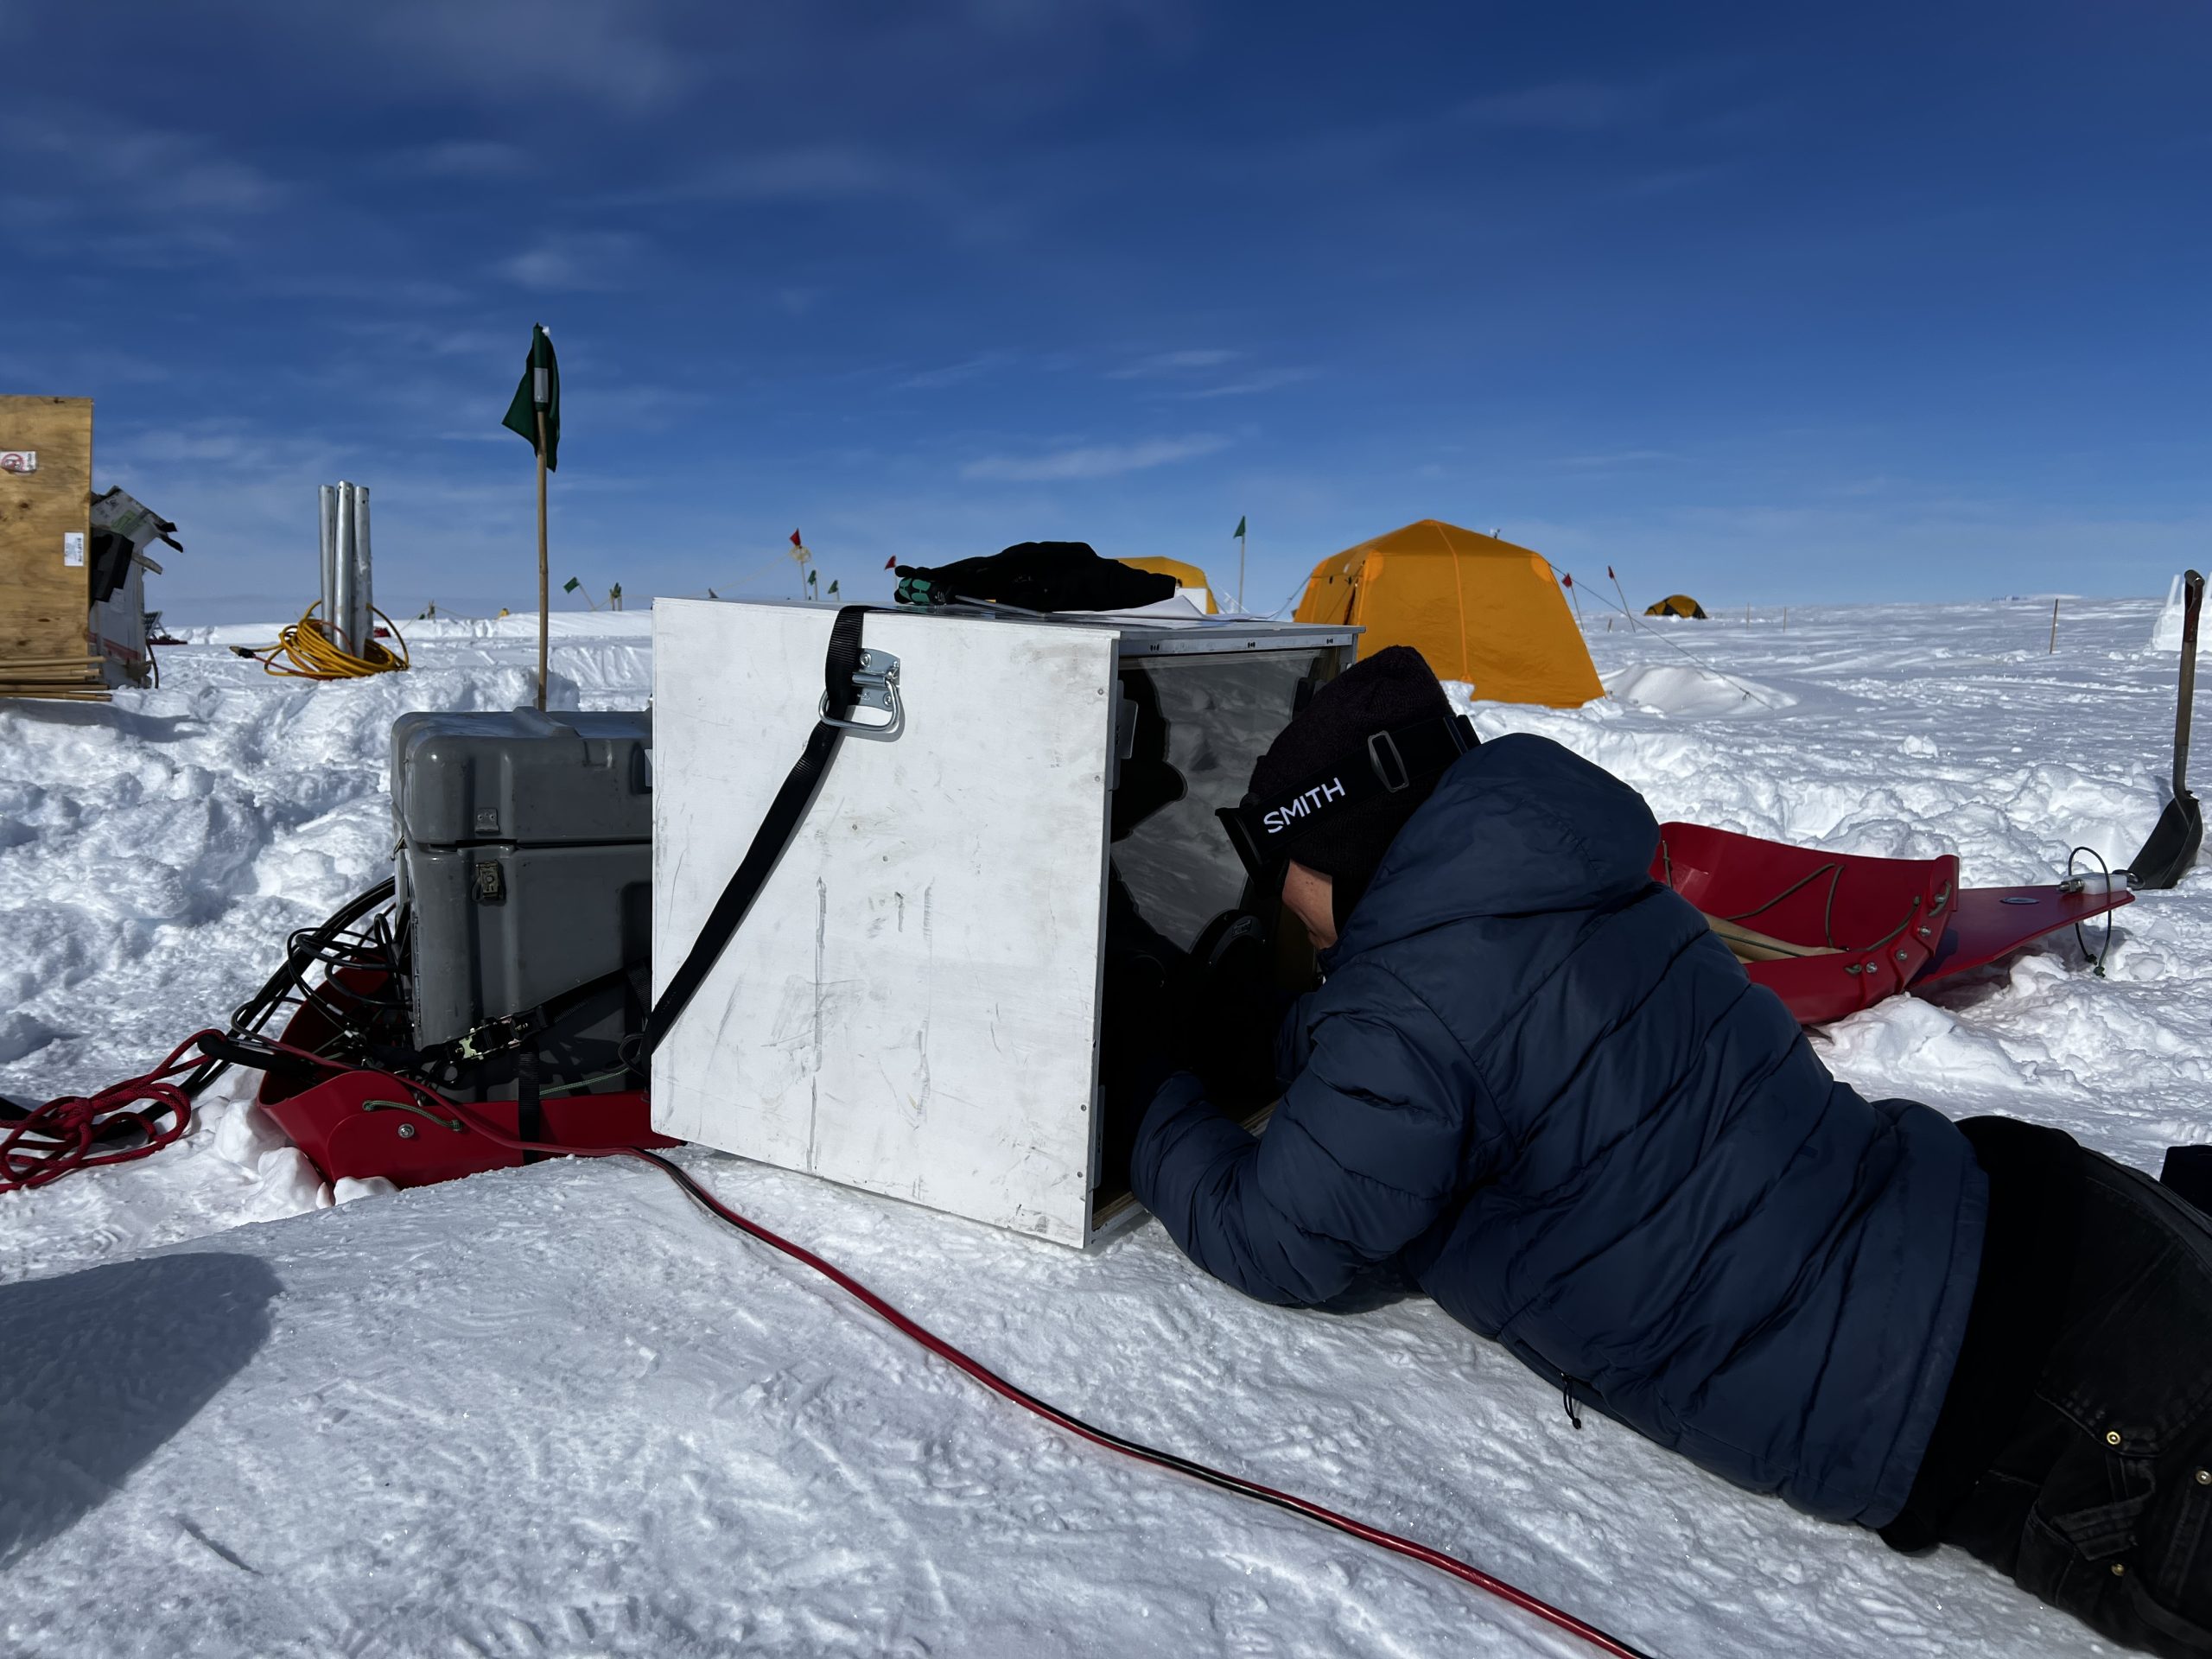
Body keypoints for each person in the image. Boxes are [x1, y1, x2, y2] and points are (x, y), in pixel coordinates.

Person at [1127, 645, 2212, 1655]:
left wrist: (1149, 1098)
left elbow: (1281, 1235)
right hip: (2056, 1220)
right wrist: (1279, 1030)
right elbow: (1472, 1036)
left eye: (1285, 871)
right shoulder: (1565, 878)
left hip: (2048, 1408)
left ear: (1339, 850)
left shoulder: (1412, 1011)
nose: (1281, 902)